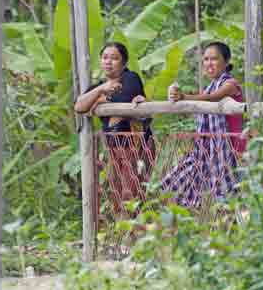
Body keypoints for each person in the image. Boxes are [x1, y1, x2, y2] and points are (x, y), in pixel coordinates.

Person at [162, 41, 246, 208]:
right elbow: (204, 99)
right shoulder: (208, 88)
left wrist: (184, 97)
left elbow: (215, 98)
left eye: (214, 59)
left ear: (226, 61)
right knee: (175, 183)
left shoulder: (230, 84)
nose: (209, 63)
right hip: (207, 153)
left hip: (233, 152)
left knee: (233, 201)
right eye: (206, 59)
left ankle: (234, 231)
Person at [74, 42, 153, 216]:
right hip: (114, 147)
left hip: (136, 145)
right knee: (116, 193)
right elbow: (79, 106)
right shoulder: (100, 85)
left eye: (114, 58)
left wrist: (101, 100)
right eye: (104, 57)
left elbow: (125, 100)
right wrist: (101, 90)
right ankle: (124, 236)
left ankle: (136, 237)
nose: (108, 62)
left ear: (124, 63)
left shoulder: (130, 78)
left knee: (132, 193)